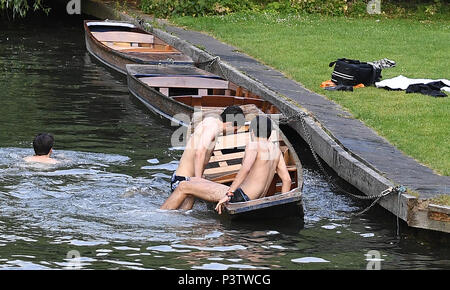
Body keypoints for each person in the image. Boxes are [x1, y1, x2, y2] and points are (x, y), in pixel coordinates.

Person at [160, 115, 292, 214]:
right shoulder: (276, 150)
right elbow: (287, 180)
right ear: (269, 133)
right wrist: (282, 204)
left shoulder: (254, 145)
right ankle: (183, 214)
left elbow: (245, 169)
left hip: (241, 197)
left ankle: (160, 215)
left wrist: (229, 194)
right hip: (254, 197)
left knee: (183, 185)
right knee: (196, 182)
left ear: (252, 131)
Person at [169, 105, 246, 210]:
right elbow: (200, 152)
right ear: (229, 124)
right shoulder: (213, 127)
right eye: (235, 129)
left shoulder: (210, 121)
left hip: (181, 178)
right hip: (185, 180)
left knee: (183, 215)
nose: (235, 133)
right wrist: (198, 180)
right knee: (233, 195)